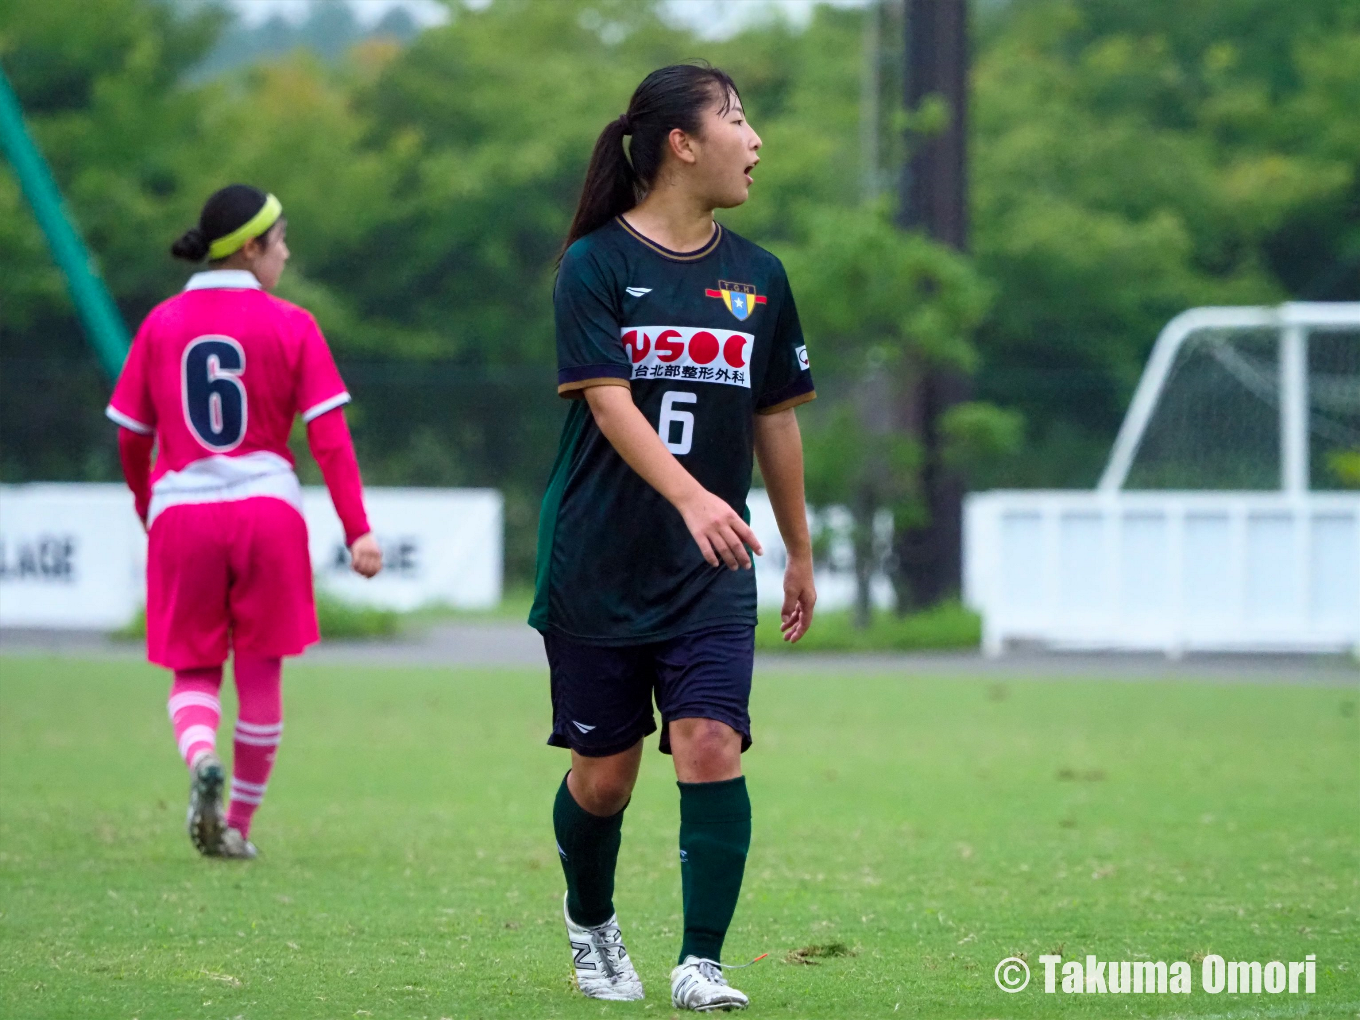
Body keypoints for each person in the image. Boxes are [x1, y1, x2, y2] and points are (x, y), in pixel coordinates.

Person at [529, 64, 817, 1012]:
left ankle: (703, 963)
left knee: (709, 743)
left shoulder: (761, 276)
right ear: (681, 145)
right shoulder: (594, 265)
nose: (755, 140)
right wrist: (693, 497)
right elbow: (609, 402)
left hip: (711, 568)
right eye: (736, 120)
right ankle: (590, 921)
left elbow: (776, 418)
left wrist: (800, 549)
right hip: (597, 563)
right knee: (603, 782)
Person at [106, 184, 382, 860]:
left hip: (183, 515)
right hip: (267, 514)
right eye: (280, 241)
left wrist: (148, 506)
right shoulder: (293, 324)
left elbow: (132, 437)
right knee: (260, 676)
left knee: (193, 670)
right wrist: (357, 529)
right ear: (251, 247)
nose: (286, 253)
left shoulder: (161, 323)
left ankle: (202, 756)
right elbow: (328, 438)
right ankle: (237, 826)